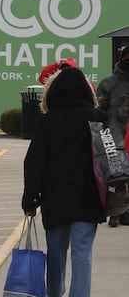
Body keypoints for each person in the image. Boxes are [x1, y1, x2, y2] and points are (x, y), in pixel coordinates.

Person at [23, 66, 106, 297]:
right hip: (89, 198)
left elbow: (34, 161)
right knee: (82, 254)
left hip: (55, 199)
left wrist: (30, 197)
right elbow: (111, 156)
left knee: (56, 254)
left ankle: (55, 293)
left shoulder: (49, 122)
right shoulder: (98, 119)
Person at [96, 45, 129, 227]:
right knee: (117, 178)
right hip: (114, 138)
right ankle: (116, 213)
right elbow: (99, 111)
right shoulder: (108, 83)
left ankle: (124, 213)